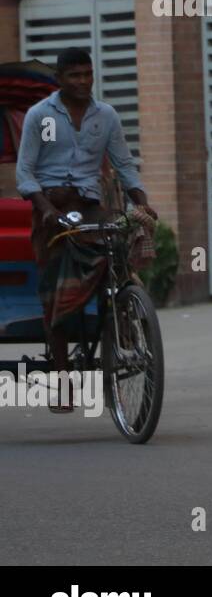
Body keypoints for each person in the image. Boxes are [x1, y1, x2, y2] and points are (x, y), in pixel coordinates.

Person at [16, 47, 157, 411]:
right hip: (52, 211)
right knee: (56, 288)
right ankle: (63, 378)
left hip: (91, 206)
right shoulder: (39, 116)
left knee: (118, 251)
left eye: (86, 74)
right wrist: (46, 209)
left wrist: (141, 202)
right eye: (73, 75)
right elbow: (24, 174)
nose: (81, 82)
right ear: (59, 79)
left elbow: (125, 166)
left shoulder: (105, 116)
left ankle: (124, 318)